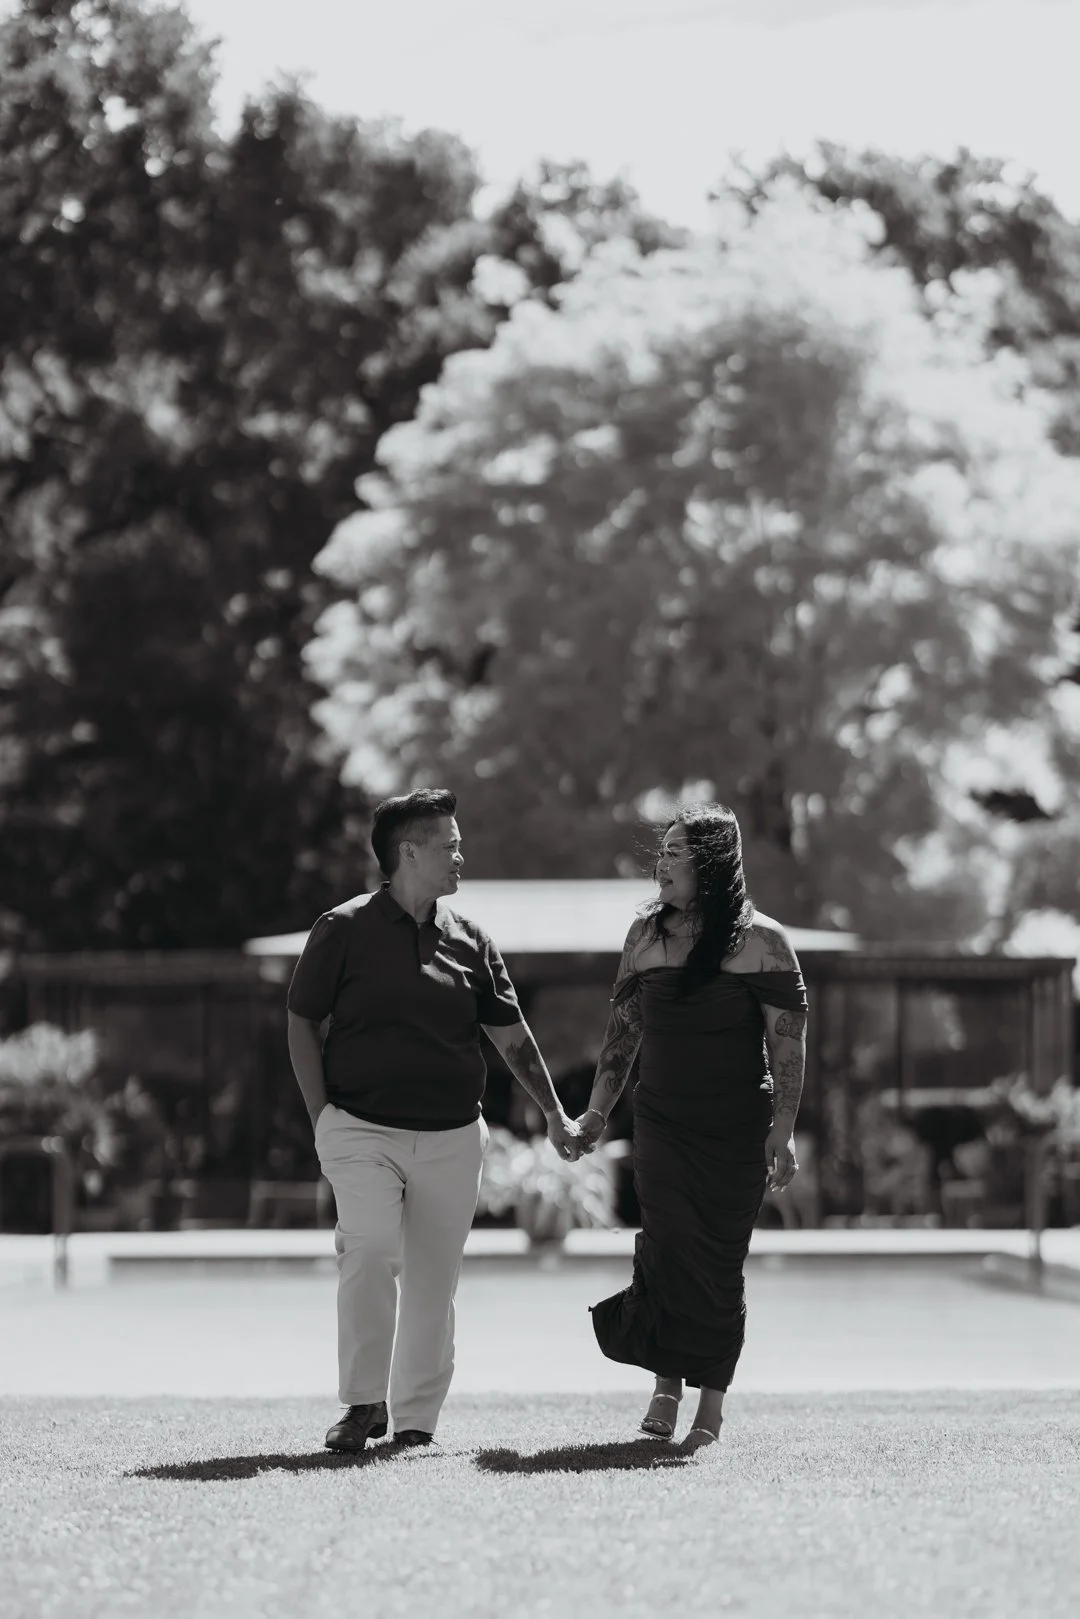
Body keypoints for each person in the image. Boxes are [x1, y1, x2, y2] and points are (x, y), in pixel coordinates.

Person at [286, 787, 583, 1453]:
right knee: (366, 1251)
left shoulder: (471, 940)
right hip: (360, 1128)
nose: (460, 854)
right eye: (448, 843)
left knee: (432, 1280)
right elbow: (301, 1019)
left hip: (453, 1136)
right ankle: (363, 1403)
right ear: (408, 851)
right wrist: (321, 1117)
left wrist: (557, 1117)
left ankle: (415, 1419)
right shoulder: (342, 929)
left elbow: (512, 1039)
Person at [575, 804, 807, 1454]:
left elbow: (787, 1046)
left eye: (678, 851)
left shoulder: (765, 941)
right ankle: (666, 1385)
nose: (663, 860)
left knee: (718, 1265)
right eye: (665, 849)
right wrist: (595, 1112)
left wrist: (783, 1128)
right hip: (664, 1124)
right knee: (667, 1249)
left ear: (712, 863)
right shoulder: (644, 935)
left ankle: (713, 1400)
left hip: (735, 1128)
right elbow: (621, 1038)